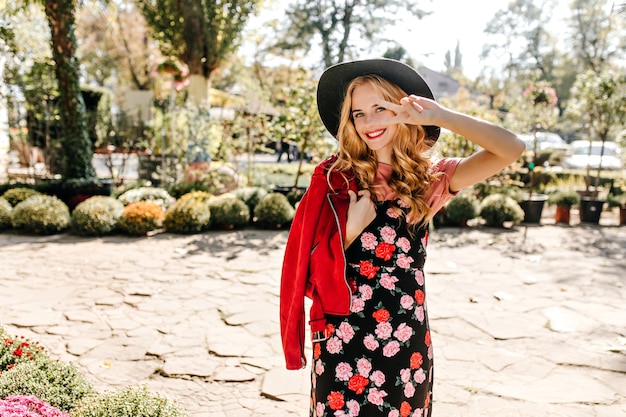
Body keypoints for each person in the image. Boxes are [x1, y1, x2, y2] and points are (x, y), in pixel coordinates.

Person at [279, 58, 524, 417]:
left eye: (380, 108)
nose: (369, 122)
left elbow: (511, 148)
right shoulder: (334, 180)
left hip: (405, 341)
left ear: (403, 110)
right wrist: (350, 230)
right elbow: (304, 272)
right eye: (358, 113)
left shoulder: (429, 181)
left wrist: (441, 117)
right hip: (341, 341)